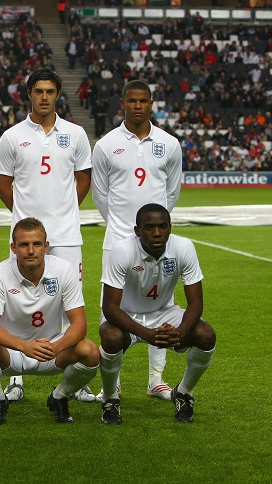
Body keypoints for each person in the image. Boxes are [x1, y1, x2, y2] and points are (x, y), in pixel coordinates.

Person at [0, 67, 94, 403]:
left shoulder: (76, 134)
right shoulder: (12, 136)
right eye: (39, 91)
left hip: (66, 235)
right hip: (25, 236)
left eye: (50, 91)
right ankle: (16, 377)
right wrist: (26, 218)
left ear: (58, 94)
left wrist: (64, 211)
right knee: (17, 304)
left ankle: (72, 376)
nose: (45, 97)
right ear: (29, 95)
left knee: (69, 306)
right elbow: (3, 184)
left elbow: (83, 179)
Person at [92, 80, 182, 401]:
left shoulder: (169, 144)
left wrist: (153, 231)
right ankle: (112, 385)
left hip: (157, 243)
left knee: (159, 304)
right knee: (112, 312)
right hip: (117, 241)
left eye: (144, 101)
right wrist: (122, 227)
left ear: (152, 103)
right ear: (122, 103)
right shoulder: (105, 145)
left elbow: (172, 191)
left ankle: (156, 380)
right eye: (132, 101)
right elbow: (100, 193)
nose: (138, 106)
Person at [0, 218, 99, 425]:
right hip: (11, 351)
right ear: (13, 247)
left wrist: (57, 347)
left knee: (90, 352)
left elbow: (79, 324)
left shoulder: (63, 269)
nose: (31, 250)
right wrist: (24, 346)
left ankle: (59, 397)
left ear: (46, 246)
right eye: (24, 245)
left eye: (37, 244)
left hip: (50, 349)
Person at [99, 204, 216, 424]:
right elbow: (110, 308)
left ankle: (183, 393)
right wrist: (147, 334)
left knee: (205, 334)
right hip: (126, 315)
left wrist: (180, 332)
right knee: (111, 337)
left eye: (162, 226)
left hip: (164, 312)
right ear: (137, 231)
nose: (156, 233)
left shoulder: (184, 247)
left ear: (170, 228)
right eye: (149, 227)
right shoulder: (122, 250)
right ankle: (110, 399)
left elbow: (196, 302)